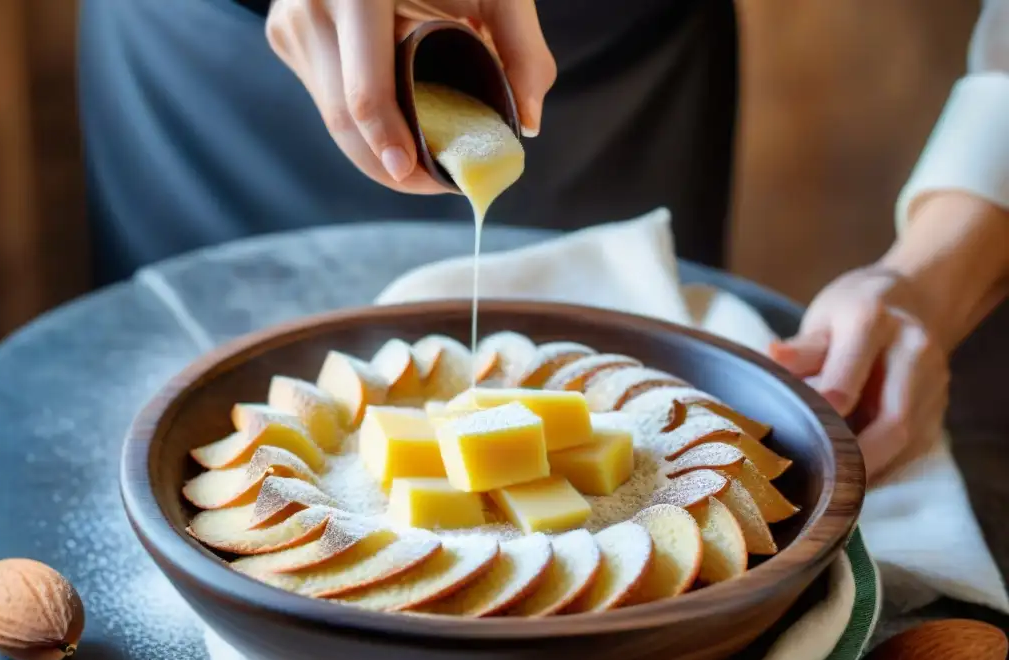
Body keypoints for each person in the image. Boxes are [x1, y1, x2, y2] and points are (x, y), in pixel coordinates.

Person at [78, 0, 1009, 483]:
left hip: (603, 66)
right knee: (214, 412)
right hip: (212, 58)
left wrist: (938, 259)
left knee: (618, 357)